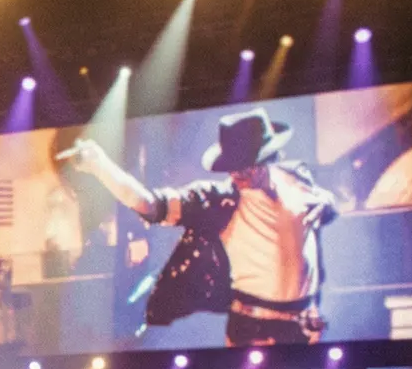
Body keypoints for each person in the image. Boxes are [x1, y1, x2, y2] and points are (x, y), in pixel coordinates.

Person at [62, 107, 337, 346]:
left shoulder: (298, 178)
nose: (236, 173)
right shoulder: (219, 199)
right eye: (232, 165)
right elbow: (149, 204)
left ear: (268, 158)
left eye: (245, 165)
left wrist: (327, 201)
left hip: (306, 326)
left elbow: (337, 195)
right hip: (254, 330)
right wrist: (100, 165)